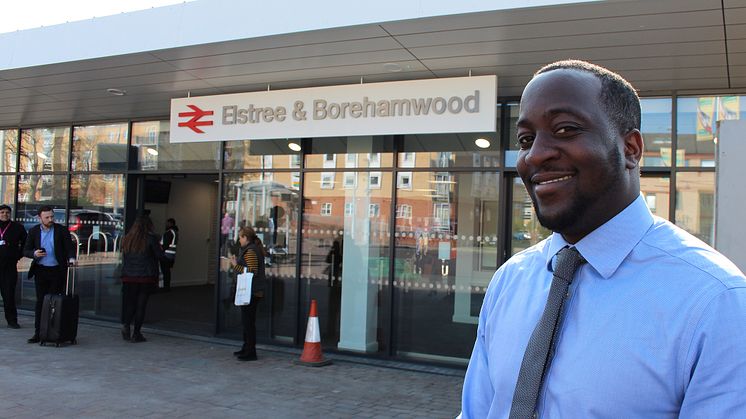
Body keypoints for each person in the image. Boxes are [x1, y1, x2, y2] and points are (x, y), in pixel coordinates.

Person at [460, 60, 746, 418]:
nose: (535, 154)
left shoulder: (716, 303)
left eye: (565, 129)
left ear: (631, 149)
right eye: (525, 139)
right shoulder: (509, 281)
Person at [22, 206, 76, 343]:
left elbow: (69, 248)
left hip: (57, 270)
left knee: (54, 302)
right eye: (47, 217)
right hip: (40, 270)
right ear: (40, 218)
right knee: (41, 302)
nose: (51, 219)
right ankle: (38, 333)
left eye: (52, 216)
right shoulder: (34, 231)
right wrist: (34, 254)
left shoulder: (61, 230)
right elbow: (26, 250)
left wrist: (71, 258)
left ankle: (54, 332)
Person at [120, 214, 166, 343]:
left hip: (129, 276)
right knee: (141, 305)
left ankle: (126, 325)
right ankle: (136, 334)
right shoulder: (151, 239)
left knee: (130, 304)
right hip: (145, 277)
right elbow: (160, 256)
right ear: (148, 226)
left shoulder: (127, 239)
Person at [229, 226, 266, 361]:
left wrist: (235, 265)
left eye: (240, 237)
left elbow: (251, 271)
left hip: (251, 292)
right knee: (246, 322)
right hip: (251, 291)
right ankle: (246, 348)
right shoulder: (249, 250)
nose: (239, 240)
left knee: (248, 322)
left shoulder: (250, 251)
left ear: (246, 238)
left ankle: (251, 351)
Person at [0, 204, 27, 329]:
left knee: (9, 294)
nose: (4, 214)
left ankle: (12, 320)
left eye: (7, 212)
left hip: (9, 266)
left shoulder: (17, 227)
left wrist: (17, 255)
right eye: (2, 212)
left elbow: (25, 244)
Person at [159, 218, 178, 291]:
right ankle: (167, 286)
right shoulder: (175, 232)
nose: (166, 225)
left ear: (171, 224)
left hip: (166, 255)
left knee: (165, 272)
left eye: (167, 223)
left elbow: (165, 245)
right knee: (167, 271)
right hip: (171, 255)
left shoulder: (169, 233)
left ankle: (165, 287)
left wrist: (160, 250)